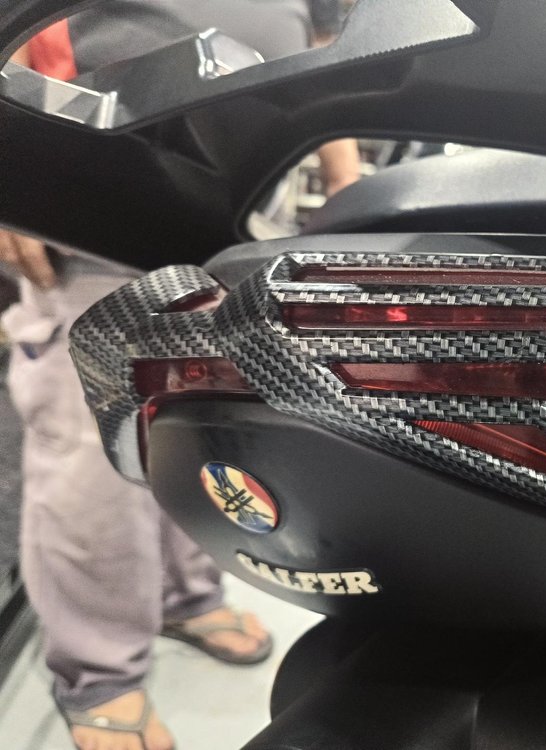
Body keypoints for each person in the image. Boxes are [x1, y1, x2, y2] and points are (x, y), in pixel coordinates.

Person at [0, 4, 359, 749]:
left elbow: (329, 51)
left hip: (230, 231)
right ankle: (99, 672)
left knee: (206, 438)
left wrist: (346, 187)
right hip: (88, 228)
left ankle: (185, 597)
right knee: (91, 473)